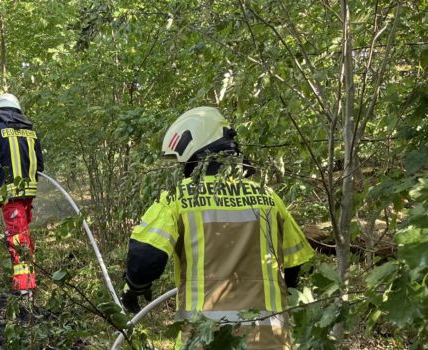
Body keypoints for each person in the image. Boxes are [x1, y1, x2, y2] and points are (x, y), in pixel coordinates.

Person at [122, 106, 314, 349]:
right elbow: (297, 263)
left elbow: (144, 260)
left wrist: (133, 289)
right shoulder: (269, 198)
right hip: (269, 339)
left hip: (204, 338)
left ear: (193, 151)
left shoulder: (178, 199)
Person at [0, 93, 44, 292]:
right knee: (23, 236)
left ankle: (24, 288)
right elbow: (40, 166)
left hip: (10, 194)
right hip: (28, 193)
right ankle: (27, 280)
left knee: (18, 240)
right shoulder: (32, 133)